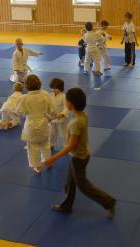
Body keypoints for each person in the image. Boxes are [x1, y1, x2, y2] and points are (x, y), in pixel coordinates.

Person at [44, 88, 116, 219]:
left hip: (79, 158)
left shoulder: (77, 122)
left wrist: (53, 158)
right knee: (70, 183)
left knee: (83, 186)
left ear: (70, 104)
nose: (65, 102)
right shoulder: (82, 115)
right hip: (79, 155)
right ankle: (66, 206)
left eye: (66, 100)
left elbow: (71, 145)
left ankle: (109, 201)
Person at [18, 74, 55, 174]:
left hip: (31, 125)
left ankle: (37, 167)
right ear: (39, 83)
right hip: (44, 123)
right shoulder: (45, 94)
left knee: (32, 147)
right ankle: (48, 162)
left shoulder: (24, 98)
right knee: (46, 144)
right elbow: (52, 109)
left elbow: (19, 111)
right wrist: (50, 116)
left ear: (26, 86)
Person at [48, 78, 69, 150]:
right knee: (52, 133)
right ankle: (51, 145)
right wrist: (47, 116)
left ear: (60, 88)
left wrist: (62, 114)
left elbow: (66, 107)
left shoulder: (63, 96)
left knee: (63, 134)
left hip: (61, 119)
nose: (53, 90)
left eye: (55, 88)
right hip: (52, 118)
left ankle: (66, 146)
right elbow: (47, 106)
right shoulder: (50, 95)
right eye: (52, 88)